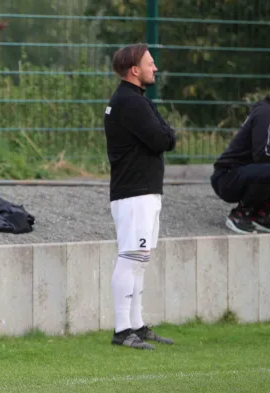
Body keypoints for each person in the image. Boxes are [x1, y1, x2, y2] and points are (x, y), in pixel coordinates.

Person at [103, 43, 176, 350]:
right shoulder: (130, 103)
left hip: (142, 191)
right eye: (150, 63)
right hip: (135, 193)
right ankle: (122, 330)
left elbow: (164, 135)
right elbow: (163, 138)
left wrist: (165, 132)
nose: (154, 68)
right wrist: (166, 132)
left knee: (140, 259)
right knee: (131, 257)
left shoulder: (134, 100)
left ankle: (136, 324)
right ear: (135, 70)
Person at [211, 95, 270, 234]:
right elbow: (261, 155)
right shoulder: (265, 113)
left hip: (244, 173)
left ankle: (261, 214)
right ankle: (240, 214)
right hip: (227, 177)